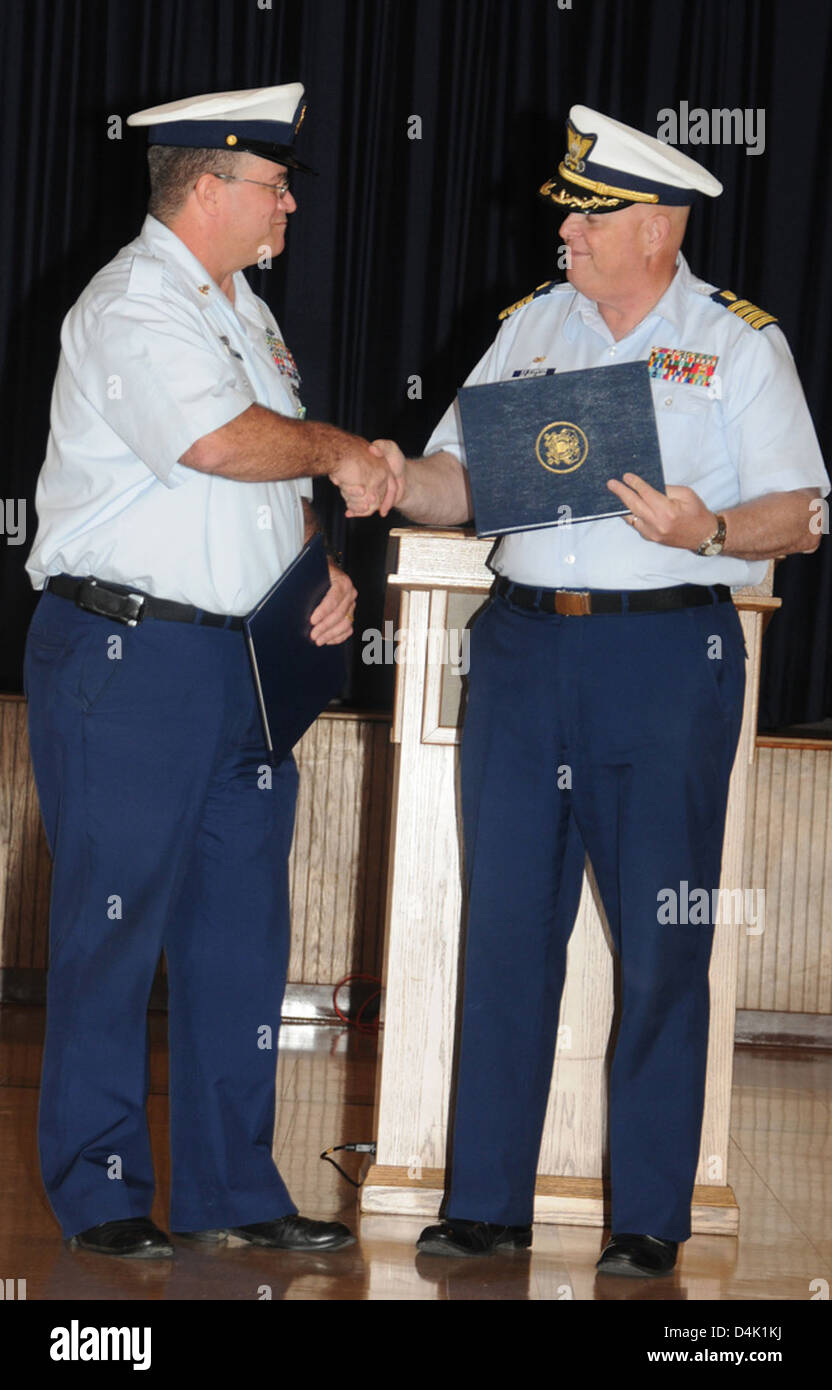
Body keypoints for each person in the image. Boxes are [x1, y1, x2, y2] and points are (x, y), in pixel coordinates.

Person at [346, 106, 829, 1276]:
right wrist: (400, 475)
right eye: (566, 209)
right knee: (508, 928)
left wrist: (705, 526)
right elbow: (464, 483)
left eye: (588, 212)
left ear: (657, 227)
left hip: (662, 660)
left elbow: (803, 511)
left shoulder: (735, 343)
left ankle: (649, 1214)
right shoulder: (528, 328)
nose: (562, 227)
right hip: (520, 652)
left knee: (665, 943)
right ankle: (486, 1200)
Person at [23, 82, 396, 1259]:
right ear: (205, 186)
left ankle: (236, 1187)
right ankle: (100, 1187)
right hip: (133, 657)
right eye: (272, 183)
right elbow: (218, 442)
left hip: (242, 663)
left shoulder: (243, 308)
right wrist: (338, 448)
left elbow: (263, 484)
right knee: (112, 928)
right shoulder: (136, 301)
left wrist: (315, 568)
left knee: (242, 936)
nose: (289, 202)